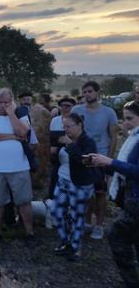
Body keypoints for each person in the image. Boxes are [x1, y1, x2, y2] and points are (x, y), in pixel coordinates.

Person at [89, 101, 139, 288]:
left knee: (115, 234)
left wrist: (111, 163)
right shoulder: (134, 138)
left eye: (130, 118)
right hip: (130, 198)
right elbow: (125, 170)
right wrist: (103, 165)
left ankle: (132, 282)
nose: (125, 123)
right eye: (124, 118)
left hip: (136, 199)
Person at [0, 88, 35, 243]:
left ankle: (29, 232)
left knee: (24, 202)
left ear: (12, 101)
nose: (4, 105)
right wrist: (12, 136)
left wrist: (11, 114)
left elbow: (23, 132)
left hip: (19, 167)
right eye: (0, 102)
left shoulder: (20, 114)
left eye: (7, 102)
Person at [71, 81, 119, 240]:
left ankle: (99, 225)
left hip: (101, 157)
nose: (87, 95)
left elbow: (113, 137)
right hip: (82, 158)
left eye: (90, 91)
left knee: (100, 193)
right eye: (84, 92)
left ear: (97, 92)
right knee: (85, 193)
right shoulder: (76, 110)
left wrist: (109, 160)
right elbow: (70, 131)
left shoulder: (109, 112)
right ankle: (85, 222)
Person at [51, 113, 98, 261]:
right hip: (62, 181)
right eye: (64, 127)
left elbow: (86, 161)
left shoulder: (87, 142)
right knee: (56, 212)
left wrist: (70, 145)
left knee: (77, 217)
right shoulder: (64, 140)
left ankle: (75, 248)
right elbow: (57, 159)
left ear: (79, 125)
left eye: (69, 126)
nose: (66, 130)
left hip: (79, 184)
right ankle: (66, 241)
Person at [48, 97, 76, 199]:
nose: (65, 108)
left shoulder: (77, 122)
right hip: (56, 154)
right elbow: (52, 137)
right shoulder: (55, 120)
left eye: (68, 106)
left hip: (72, 154)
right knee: (54, 178)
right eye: (62, 106)